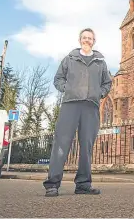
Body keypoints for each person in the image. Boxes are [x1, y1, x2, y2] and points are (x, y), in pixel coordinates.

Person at [43, 28, 112, 197]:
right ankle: (52, 184)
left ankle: (83, 184)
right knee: (61, 144)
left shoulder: (100, 62)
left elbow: (107, 83)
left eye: (90, 38)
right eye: (84, 37)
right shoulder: (69, 59)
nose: (86, 40)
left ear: (93, 41)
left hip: (91, 107)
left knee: (86, 146)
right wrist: (67, 89)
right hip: (70, 105)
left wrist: (100, 93)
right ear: (80, 40)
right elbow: (58, 79)